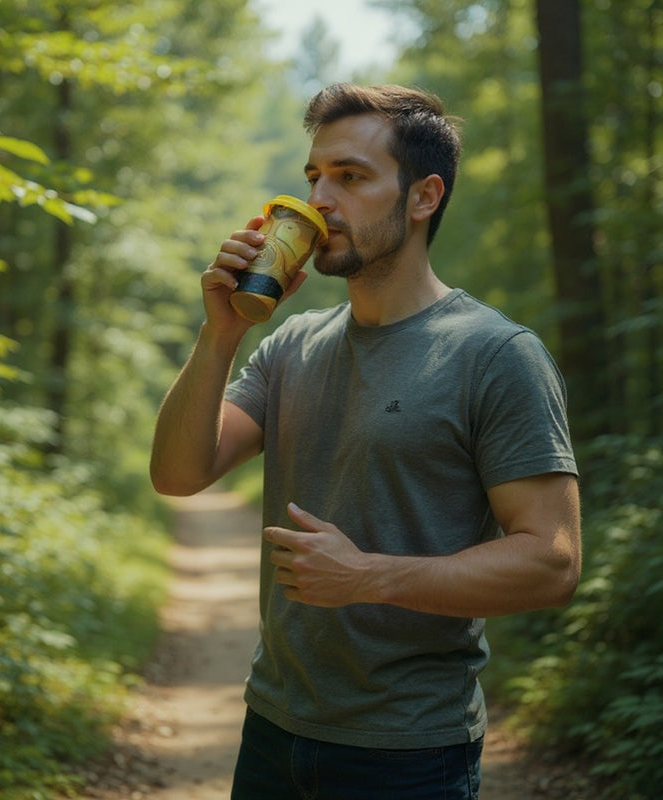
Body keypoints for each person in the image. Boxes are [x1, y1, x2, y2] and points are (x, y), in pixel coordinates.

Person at [150, 83, 581, 800]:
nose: (320, 198)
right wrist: (219, 335)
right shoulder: (292, 345)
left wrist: (369, 576)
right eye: (315, 175)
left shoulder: (496, 354)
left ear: (423, 197)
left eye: (350, 177)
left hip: (409, 752)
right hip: (272, 730)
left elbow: (552, 562)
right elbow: (177, 474)